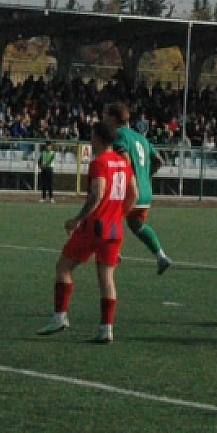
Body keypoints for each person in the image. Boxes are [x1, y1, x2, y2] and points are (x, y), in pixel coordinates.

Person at [37, 122, 135, 344]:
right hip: (114, 229)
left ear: (99, 138)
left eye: (92, 136)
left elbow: (97, 194)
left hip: (94, 226)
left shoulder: (99, 163)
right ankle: (105, 329)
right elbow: (133, 195)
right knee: (107, 278)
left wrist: (77, 220)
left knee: (63, 267)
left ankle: (60, 316)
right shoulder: (123, 162)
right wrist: (118, 215)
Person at [105, 103, 173, 274]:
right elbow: (159, 160)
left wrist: (129, 180)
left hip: (131, 190)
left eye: (105, 115)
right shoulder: (141, 138)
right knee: (136, 224)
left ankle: (115, 253)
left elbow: (125, 160)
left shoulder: (119, 135)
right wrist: (146, 176)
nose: (103, 119)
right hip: (146, 192)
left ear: (113, 118)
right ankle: (161, 256)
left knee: (109, 216)